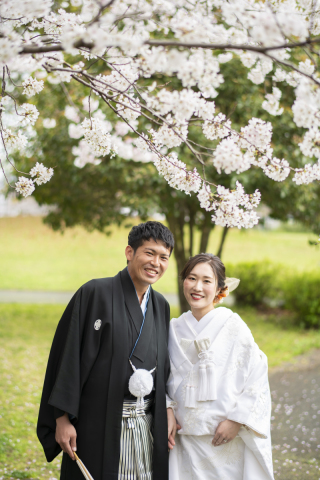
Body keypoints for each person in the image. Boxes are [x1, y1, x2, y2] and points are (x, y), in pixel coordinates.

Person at [37, 221, 177, 480]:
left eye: (163, 257)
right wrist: (61, 418)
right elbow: (67, 358)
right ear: (129, 252)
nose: (156, 263)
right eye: (149, 253)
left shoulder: (161, 305)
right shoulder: (94, 293)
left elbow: (165, 369)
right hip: (96, 422)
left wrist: (168, 409)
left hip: (144, 425)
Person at [166, 253, 274, 480]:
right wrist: (166, 408)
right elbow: (159, 376)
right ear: (183, 281)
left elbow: (257, 373)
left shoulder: (233, 326)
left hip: (224, 439)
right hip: (183, 441)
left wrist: (237, 420)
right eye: (191, 278)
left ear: (218, 289)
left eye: (207, 281)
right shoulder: (172, 329)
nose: (197, 287)